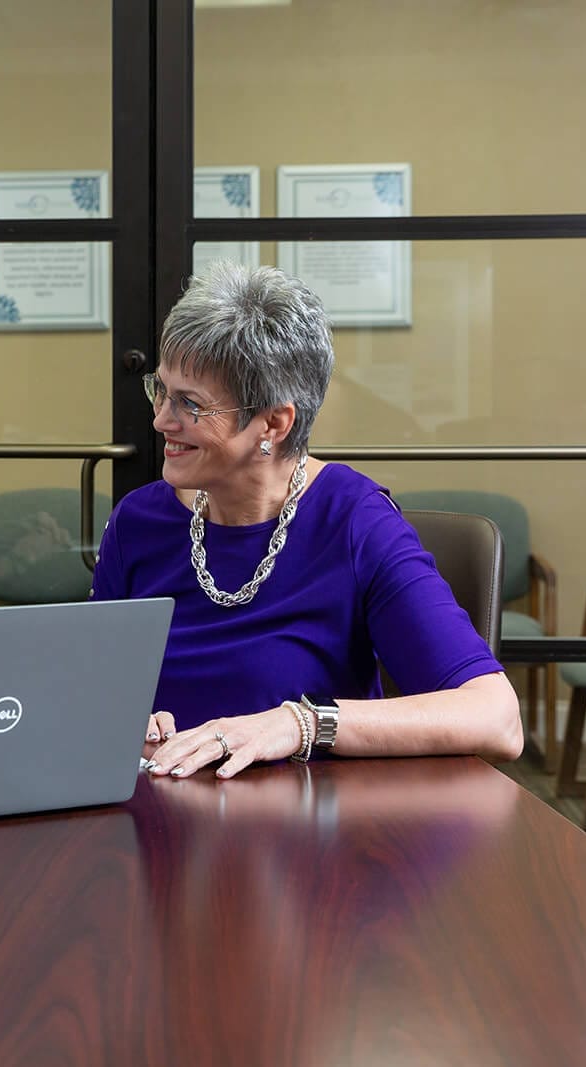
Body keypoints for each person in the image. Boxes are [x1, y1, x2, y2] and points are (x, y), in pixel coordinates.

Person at [89, 262, 522, 780]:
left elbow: (496, 718)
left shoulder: (355, 521)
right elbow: (93, 691)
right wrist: (122, 720)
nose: (161, 419)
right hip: (156, 823)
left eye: (191, 404)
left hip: (308, 835)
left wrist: (299, 723)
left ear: (274, 422)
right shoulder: (137, 522)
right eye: (160, 391)